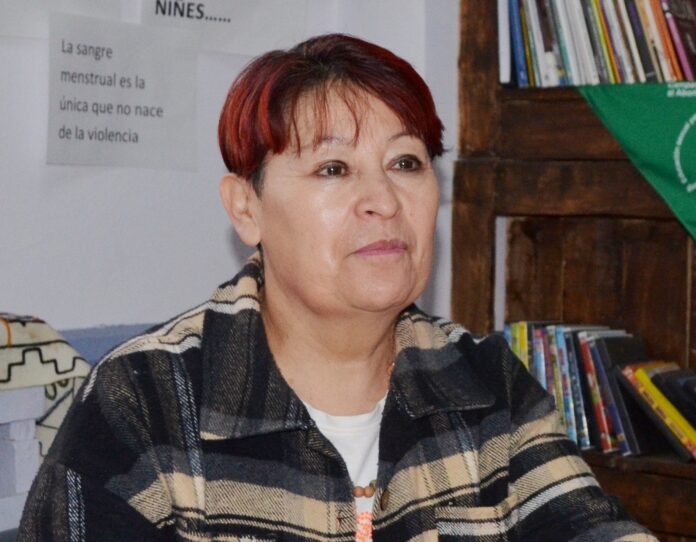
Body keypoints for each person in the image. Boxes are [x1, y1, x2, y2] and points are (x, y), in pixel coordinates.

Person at [19, 34, 656, 541]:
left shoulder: (486, 386)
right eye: (333, 168)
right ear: (246, 207)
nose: (384, 199)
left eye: (406, 162)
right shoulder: (146, 400)